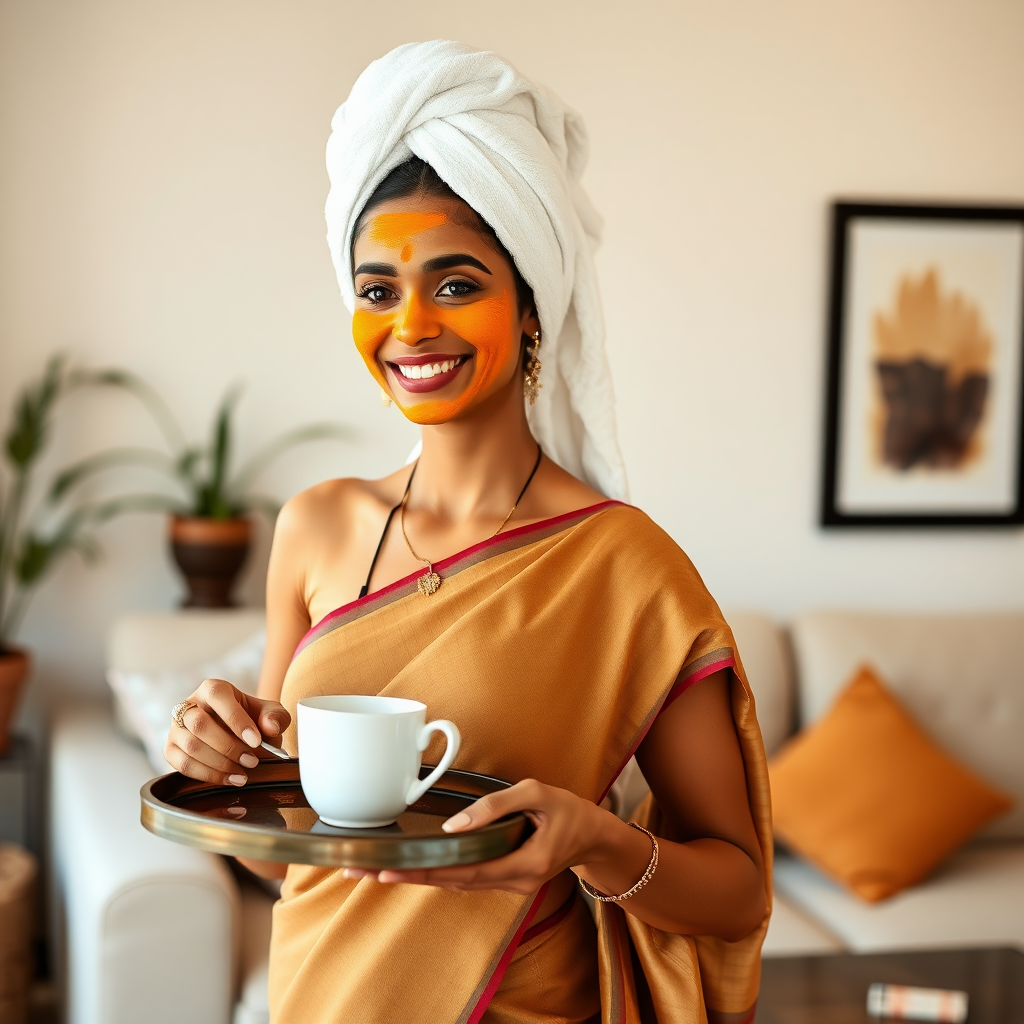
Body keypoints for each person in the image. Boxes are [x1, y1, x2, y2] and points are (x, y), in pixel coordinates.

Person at [165, 40, 772, 1024]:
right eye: (375, 291)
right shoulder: (316, 526)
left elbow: (738, 887)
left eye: (454, 284)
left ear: (531, 305)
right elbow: (282, 845)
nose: (410, 325)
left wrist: (595, 842)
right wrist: (215, 759)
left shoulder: (624, 563)